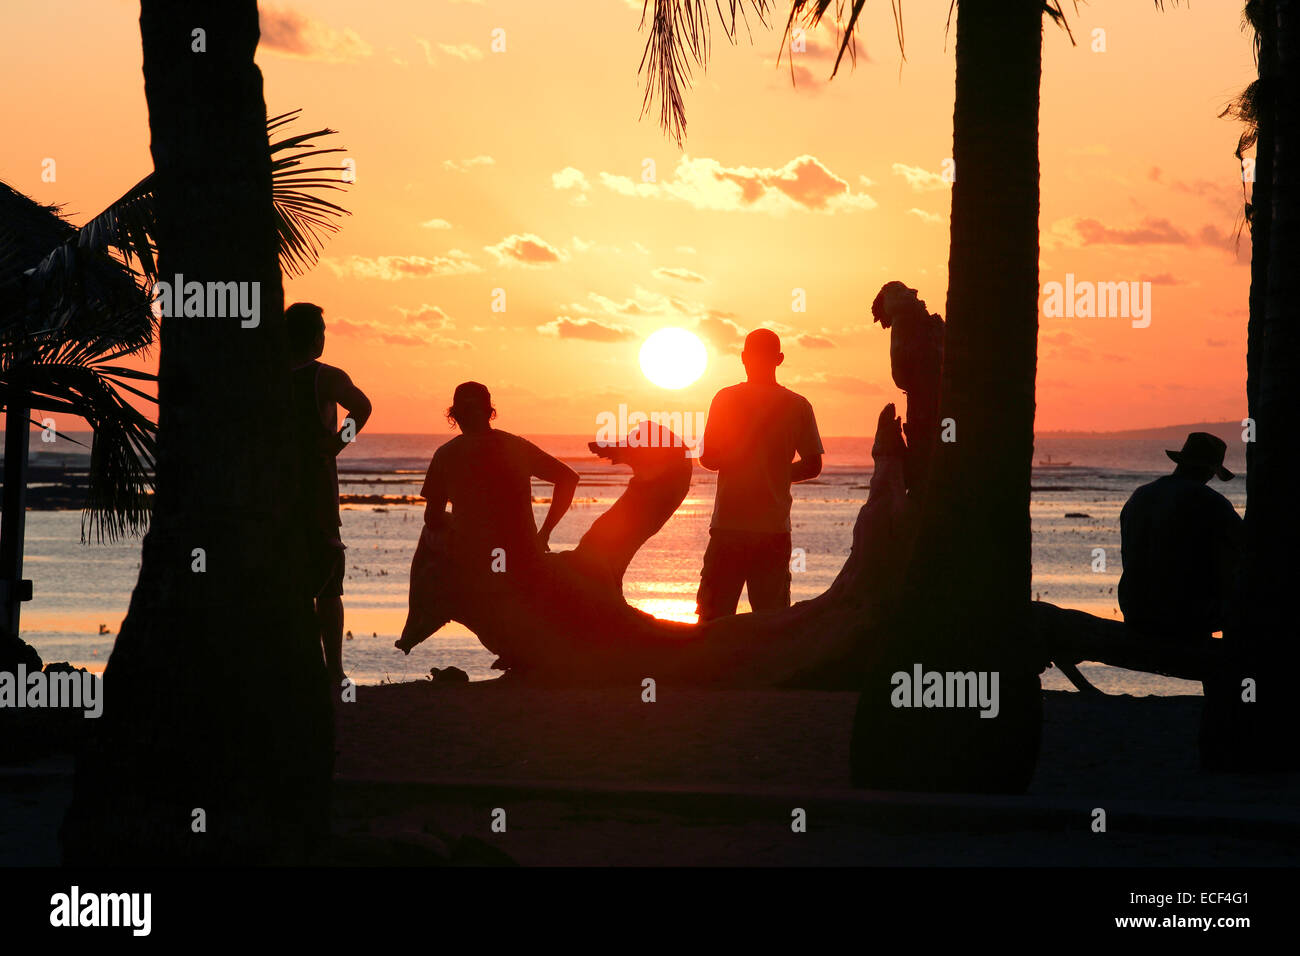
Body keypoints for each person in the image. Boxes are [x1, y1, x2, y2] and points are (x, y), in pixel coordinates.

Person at [396, 382, 579, 653]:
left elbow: (432, 518)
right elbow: (569, 478)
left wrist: (459, 520)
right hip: (521, 551)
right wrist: (544, 533)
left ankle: (416, 619)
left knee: (428, 533)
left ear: (454, 416)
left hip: (476, 555)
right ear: (489, 412)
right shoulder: (516, 446)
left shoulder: (447, 454)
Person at [695, 329, 823, 621]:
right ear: (779, 359)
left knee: (712, 620)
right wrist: (776, 474)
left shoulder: (726, 398)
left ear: (743, 358)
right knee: (772, 622)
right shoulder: (798, 404)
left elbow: (708, 458)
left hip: (729, 526)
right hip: (773, 529)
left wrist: (741, 462)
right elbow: (813, 465)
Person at [286, 302, 372, 685]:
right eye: (322, 331)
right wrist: (337, 444)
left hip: (274, 498)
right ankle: (333, 671)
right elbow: (362, 407)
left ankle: (309, 671)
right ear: (315, 337)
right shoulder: (324, 376)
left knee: (291, 587)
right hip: (315, 500)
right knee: (328, 588)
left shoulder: (265, 378)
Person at [1118, 432, 1242, 644]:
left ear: (1180, 462)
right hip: (1183, 616)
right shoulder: (1211, 502)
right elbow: (1245, 548)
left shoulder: (1140, 496)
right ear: (1211, 471)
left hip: (1135, 610)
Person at [871, 281, 944, 492]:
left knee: (922, 471)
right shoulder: (932, 323)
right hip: (942, 407)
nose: (885, 326)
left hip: (923, 408)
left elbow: (900, 374)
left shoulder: (902, 322)